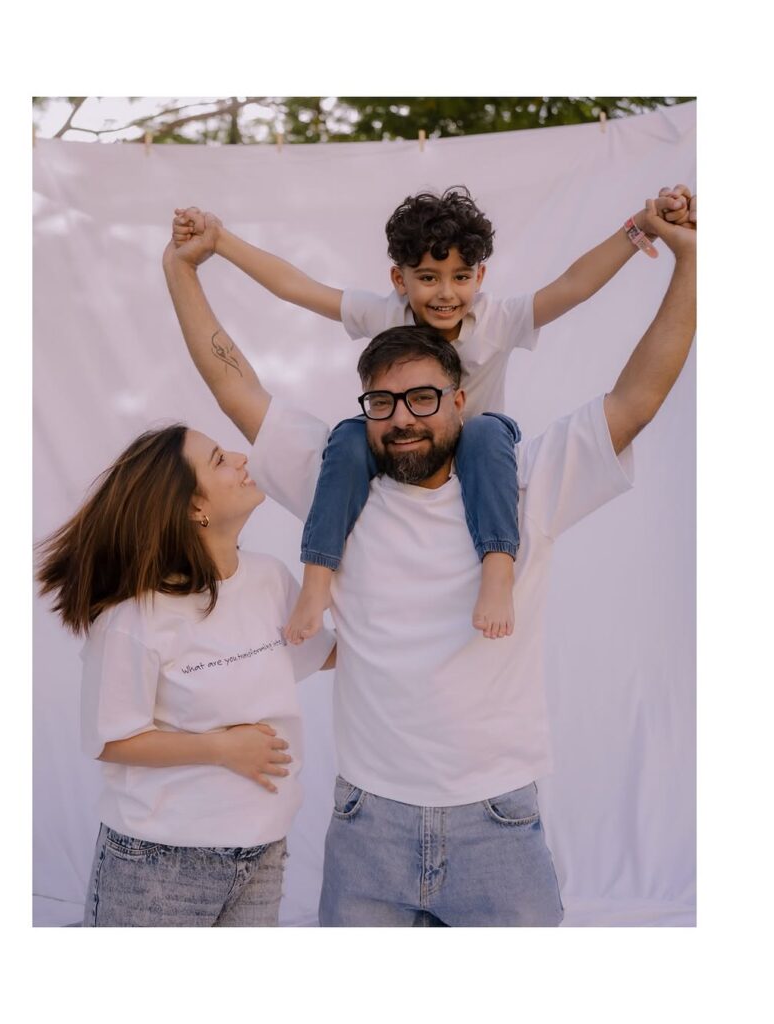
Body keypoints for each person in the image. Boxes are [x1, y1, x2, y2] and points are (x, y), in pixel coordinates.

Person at [162, 194, 696, 926]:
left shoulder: (524, 483)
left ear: (458, 400)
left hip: (496, 821)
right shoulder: (336, 481)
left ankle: (495, 564)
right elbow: (234, 385)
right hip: (367, 823)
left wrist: (689, 262)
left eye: (423, 399)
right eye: (382, 404)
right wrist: (185, 268)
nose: (403, 418)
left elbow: (637, 397)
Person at [172, 184, 691, 644]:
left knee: (484, 432)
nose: (446, 294)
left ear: (480, 275)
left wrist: (639, 227)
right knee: (347, 439)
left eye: (461, 277)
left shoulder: (499, 319)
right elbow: (297, 287)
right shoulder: (385, 313)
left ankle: (497, 566)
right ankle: (318, 575)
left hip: (480, 451)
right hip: (400, 448)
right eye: (428, 277)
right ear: (399, 279)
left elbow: (574, 284)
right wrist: (221, 241)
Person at [36, 424, 335, 926]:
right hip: (159, 862)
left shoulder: (268, 578)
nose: (241, 457)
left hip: (264, 849)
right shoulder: (135, 619)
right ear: (195, 507)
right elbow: (111, 739)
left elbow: (321, 653)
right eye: (218, 459)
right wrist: (222, 748)